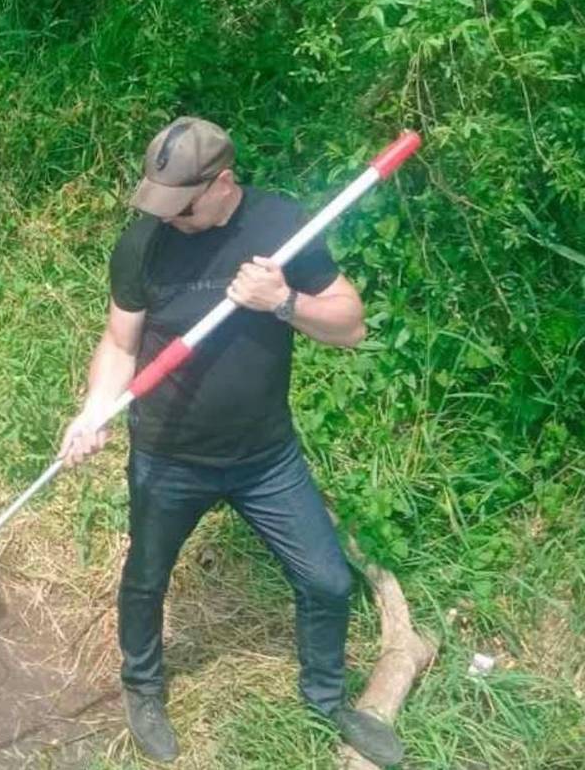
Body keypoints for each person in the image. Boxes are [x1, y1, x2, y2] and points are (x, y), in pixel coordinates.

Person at [58, 117, 404, 767]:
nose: (171, 219)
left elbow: (351, 324)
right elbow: (118, 343)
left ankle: (327, 699)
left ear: (223, 183)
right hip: (167, 452)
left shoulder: (282, 227)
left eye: (182, 206)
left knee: (329, 582)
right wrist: (95, 409)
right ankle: (143, 687)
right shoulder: (142, 245)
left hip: (264, 457)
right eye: (160, 204)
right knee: (146, 578)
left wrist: (282, 301)